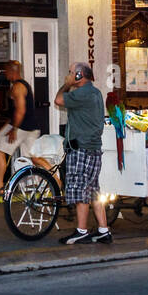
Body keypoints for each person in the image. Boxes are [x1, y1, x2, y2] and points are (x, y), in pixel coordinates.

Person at [55, 61, 112, 244]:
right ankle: (103, 230)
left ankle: (81, 231)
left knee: (80, 191)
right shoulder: (95, 92)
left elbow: (58, 100)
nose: (69, 75)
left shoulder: (82, 93)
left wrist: (67, 84)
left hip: (81, 149)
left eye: (71, 72)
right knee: (93, 191)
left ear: (79, 75)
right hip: (93, 149)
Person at [0, 61, 44, 189]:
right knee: (34, 158)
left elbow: (20, 110)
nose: (5, 74)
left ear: (12, 71)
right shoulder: (24, 85)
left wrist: (14, 129)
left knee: (0, 150)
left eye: (6, 71)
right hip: (32, 127)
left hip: (21, 127)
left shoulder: (17, 87)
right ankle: (53, 181)